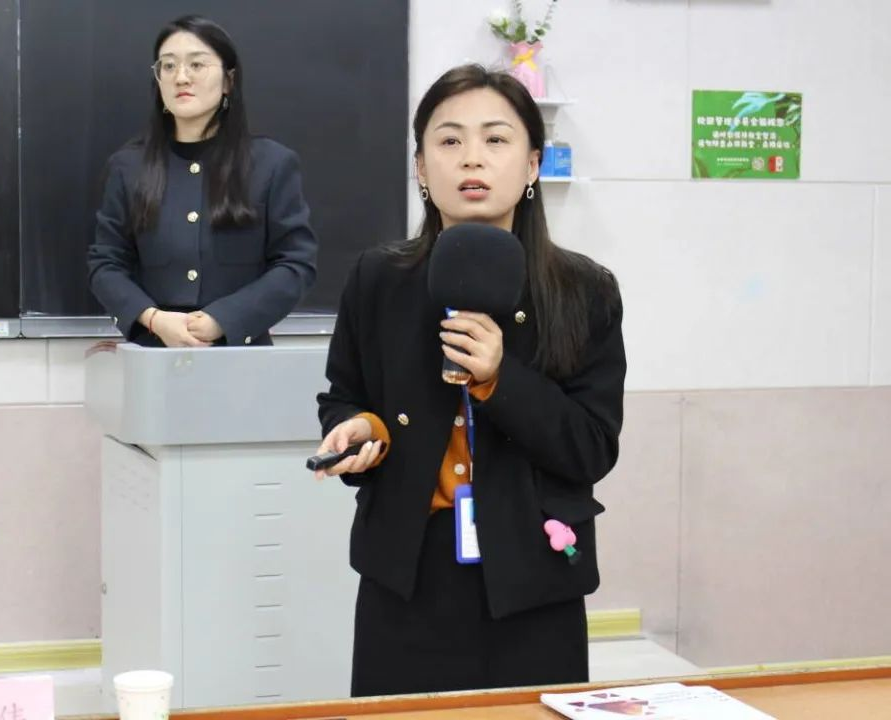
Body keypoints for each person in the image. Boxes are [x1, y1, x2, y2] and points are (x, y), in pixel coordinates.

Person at [314, 64, 627, 696]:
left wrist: (499, 379)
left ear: (533, 165)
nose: (471, 158)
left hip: (533, 574)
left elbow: (591, 447)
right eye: (449, 140)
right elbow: (345, 396)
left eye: (496, 139)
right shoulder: (378, 279)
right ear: (421, 167)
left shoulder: (584, 290)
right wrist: (359, 429)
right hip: (406, 570)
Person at [88, 15, 317, 347]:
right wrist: (153, 319)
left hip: (241, 355)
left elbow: (296, 264)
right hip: (154, 353)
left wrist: (224, 319)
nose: (181, 77)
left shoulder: (272, 164)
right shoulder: (128, 167)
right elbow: (105, 264)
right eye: (168, 66)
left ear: (228, 81)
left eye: (196, 64)